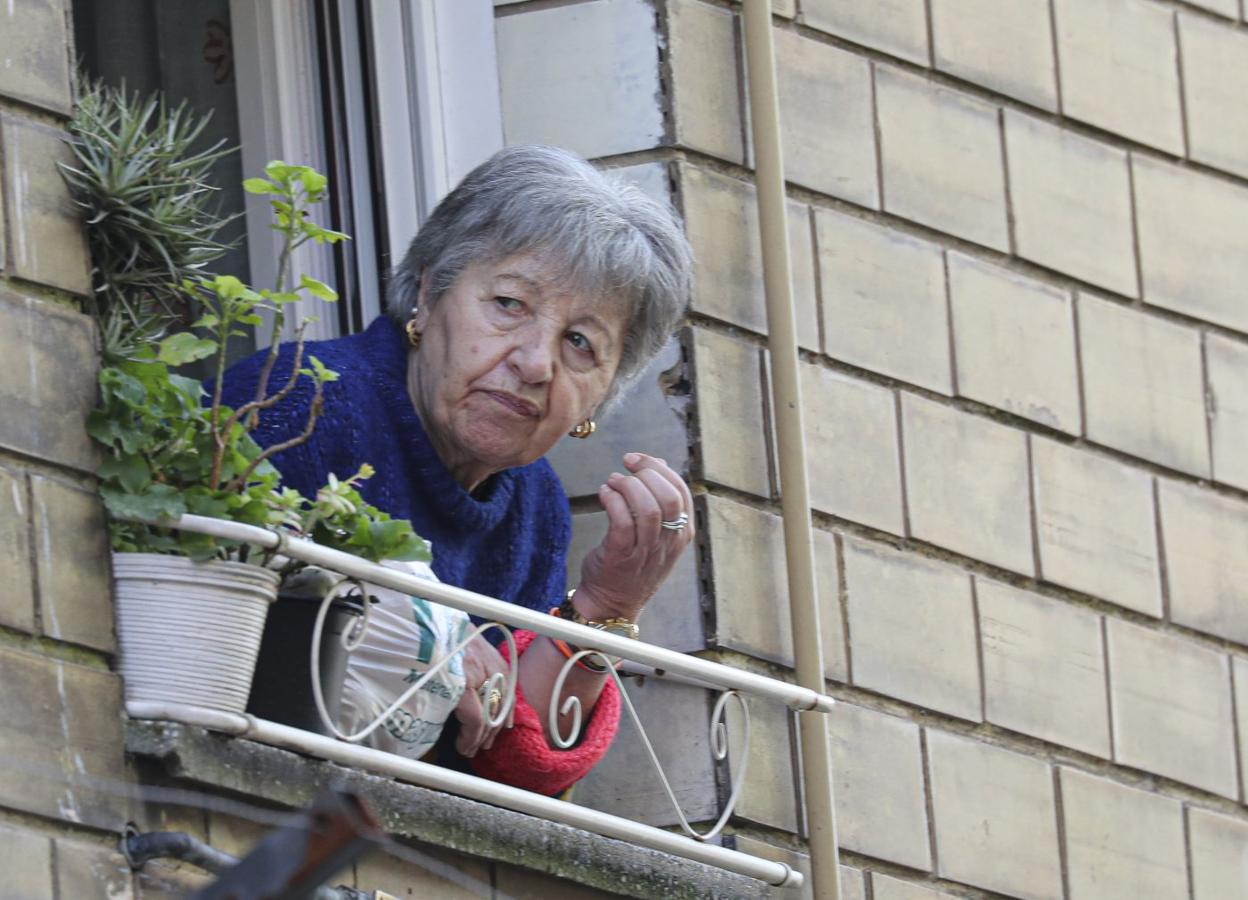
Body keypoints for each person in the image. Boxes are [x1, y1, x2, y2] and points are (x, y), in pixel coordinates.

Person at [219, 145, 695, 795]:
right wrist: (432, 641)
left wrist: (606, 607)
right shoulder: (303, 400)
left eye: (580, 343)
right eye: (509, 304)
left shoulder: (535, 507)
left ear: (601, 397)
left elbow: (511, 769)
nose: (536, 363)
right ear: (426, 295)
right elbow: (239, 648)